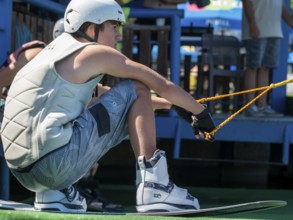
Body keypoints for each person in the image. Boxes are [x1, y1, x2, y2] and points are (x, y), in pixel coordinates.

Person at [1, 0, 215, 213]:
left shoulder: (52, 53)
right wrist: (200, 112)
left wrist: (172, 104)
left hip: (22, 172)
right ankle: (155, 187)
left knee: (131, 94)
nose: (118, 35)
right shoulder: (94, 53)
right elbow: (159, 85)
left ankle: (54, 195)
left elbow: (105, 95)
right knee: (138, 86)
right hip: (56, 164)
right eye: (114, 27)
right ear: (93, 28)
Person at [242, 0, 293, 117]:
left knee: (266, 68)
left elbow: (284, 11)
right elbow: (247, 2)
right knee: (253, 67)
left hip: (275, 32)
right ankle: (249, 106)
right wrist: (252, 24)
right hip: (256, 30)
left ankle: (262, 106)